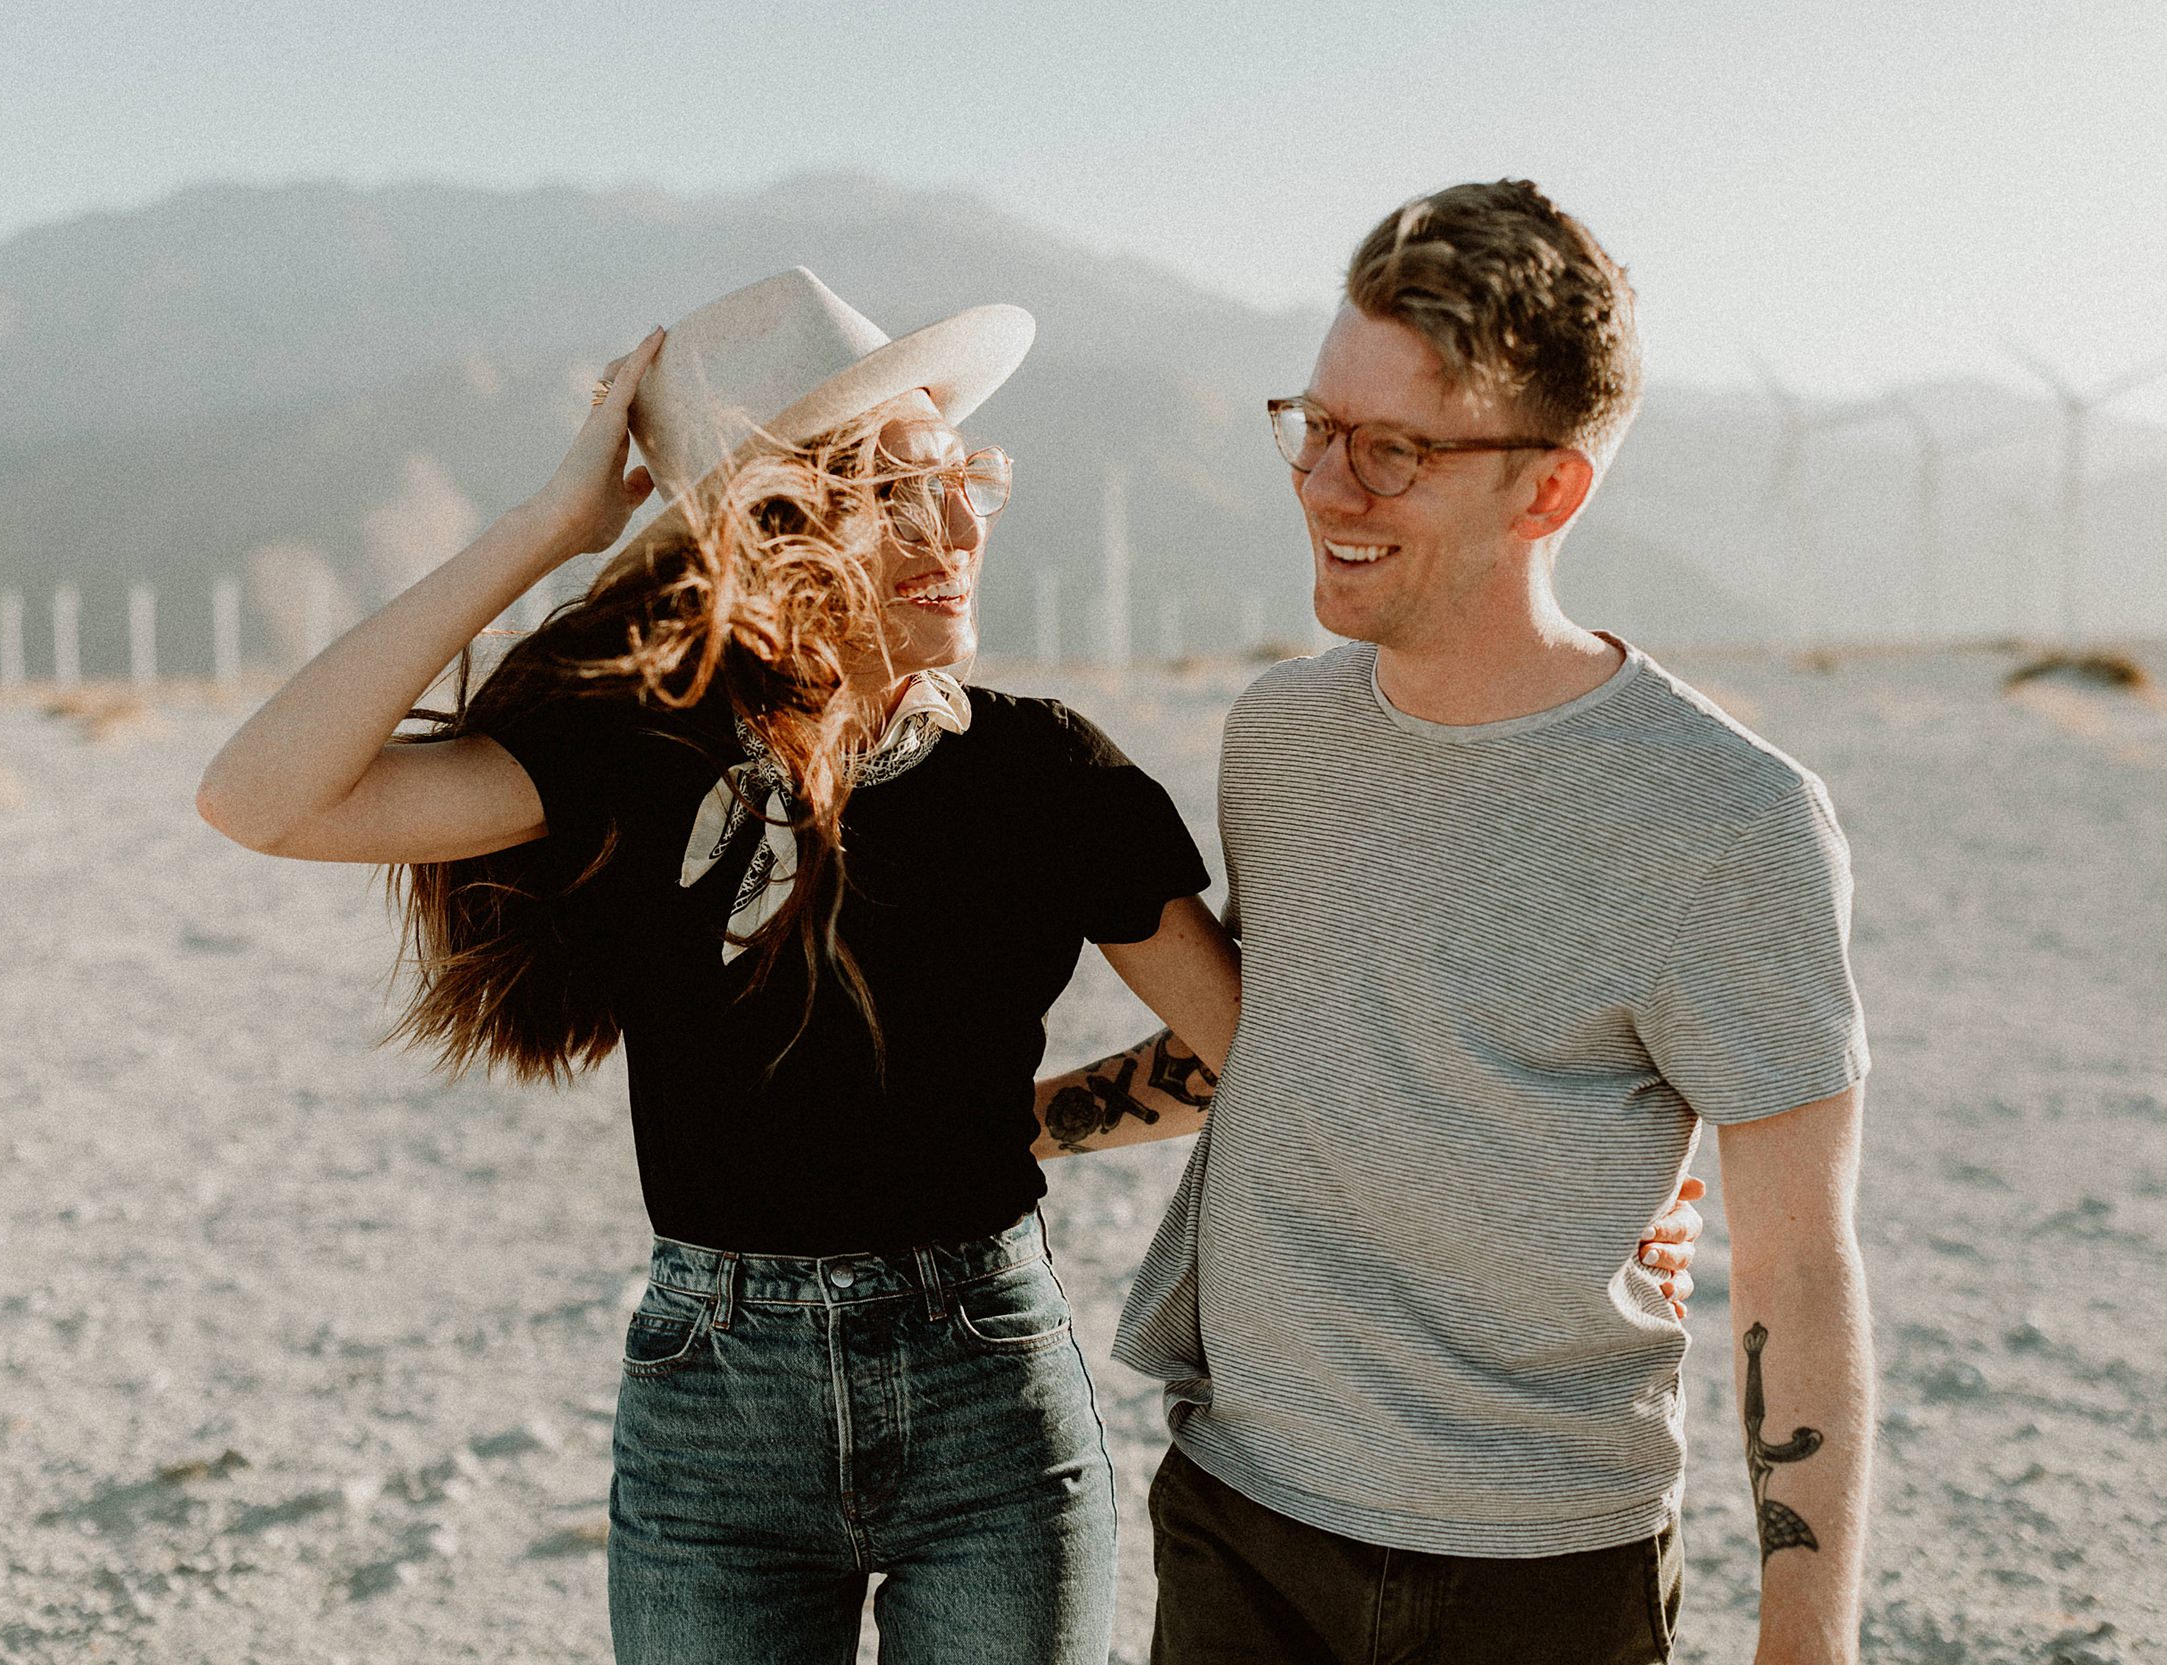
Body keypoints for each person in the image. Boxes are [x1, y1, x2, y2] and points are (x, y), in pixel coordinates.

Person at [191, 263, 1718, 1663]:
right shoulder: (635, 756)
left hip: (989, 1388)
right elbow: (263, 796)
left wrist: (1590, 1174)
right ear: (776, 531)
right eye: (897, 497)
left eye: (962, 482)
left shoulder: (1045, 774)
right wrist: (546, 529)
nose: (958, 529)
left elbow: (1272, 1051)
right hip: (715, 1405)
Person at [1111, 181, 1876, 1665]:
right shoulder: (1276, 737)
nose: (1327, 487)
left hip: (1541, 1562)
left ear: (1549, 490)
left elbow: (1799, 1266)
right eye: (1314, 426)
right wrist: (978, 1122)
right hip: (1237, 1515)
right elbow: (1283, 1039)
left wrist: (1808, 1640)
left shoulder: (1734, 820)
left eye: (1392, 450)